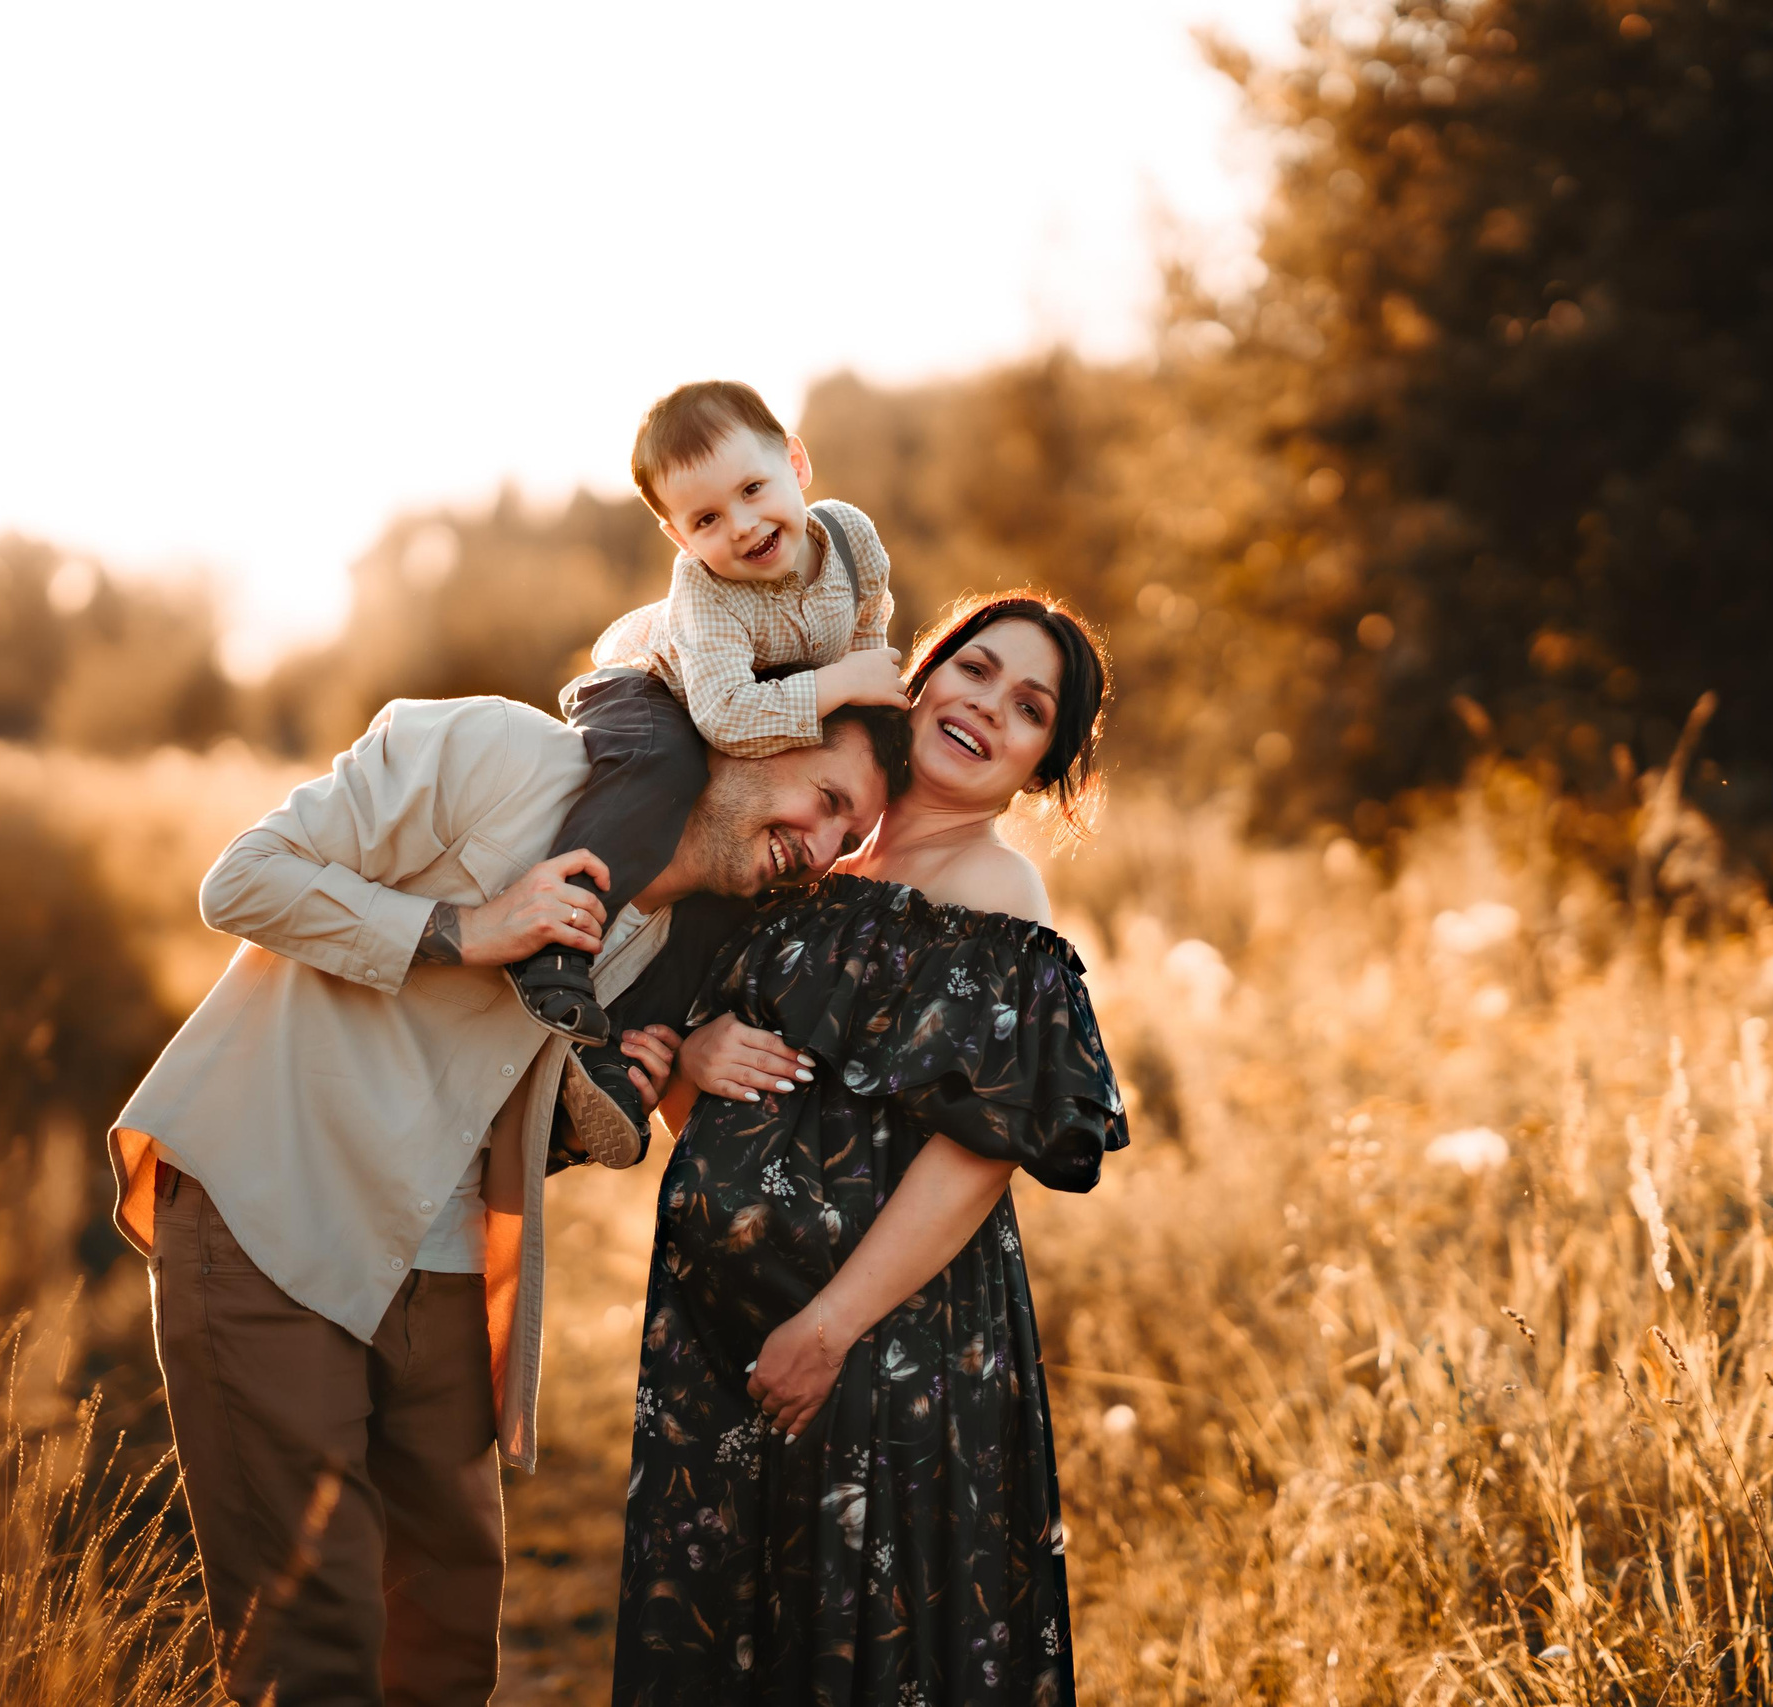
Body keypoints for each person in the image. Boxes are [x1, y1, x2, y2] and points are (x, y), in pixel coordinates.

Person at [107, 690, 906, 1707]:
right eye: (827, 797)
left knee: (443, 1642)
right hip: (269, 1199)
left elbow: (521, 1102)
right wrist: (462, 927)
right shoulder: (492, 752)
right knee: (315, 1645)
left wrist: (615, 1093)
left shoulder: (691, 948)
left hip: (445, 1256)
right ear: (756, 737)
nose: (826, 843)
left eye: (852, 833)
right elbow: (243, 882)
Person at [614, 594, 1126, 1706]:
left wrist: (829, 1325)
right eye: (975, 671)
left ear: (1042, 764)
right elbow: (718, 1108)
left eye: (1027, 708)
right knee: (738, 1637)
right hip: (722, 1342)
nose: (987, 708)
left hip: (883, 1350)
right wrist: (696, 1053)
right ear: (921, 676)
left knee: (861, 1647)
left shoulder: (995, 895)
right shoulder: (811, 855)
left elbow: (977, 1152)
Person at [506, 381, 907, 1092]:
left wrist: (866, 698)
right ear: (679, 536)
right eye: (708, 518)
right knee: (662, 768)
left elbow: (867, 628)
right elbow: (724, 715)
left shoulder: (849, 537)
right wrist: (838, 684)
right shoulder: (705, 588)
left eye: (754, 487)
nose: (744, 525)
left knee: (720, 896)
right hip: (651, 690)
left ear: (797, 461)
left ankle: (622, 1050)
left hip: (755, 705)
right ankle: (557, 937)